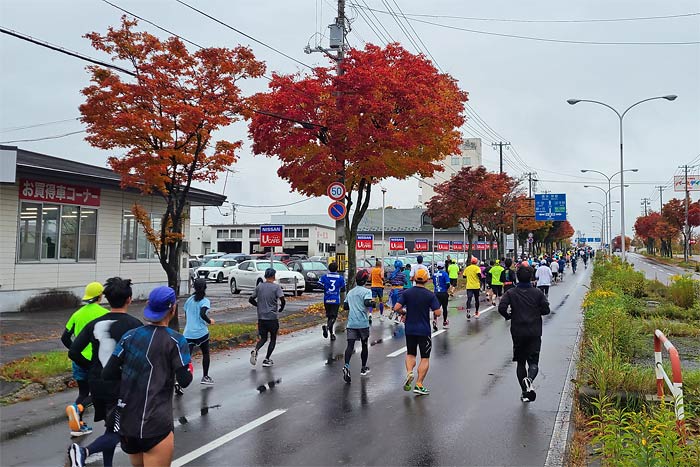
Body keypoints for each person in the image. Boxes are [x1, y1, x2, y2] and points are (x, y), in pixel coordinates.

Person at [102, 286, 194, 467]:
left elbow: (108, 373)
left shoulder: (129, 336)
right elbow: (185, 380)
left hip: (129, 422)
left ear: (148, 306)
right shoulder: (176, 341)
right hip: (156, 422)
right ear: (173, 309)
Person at [67, 277, 142, 467]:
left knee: (111, 427)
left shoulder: (95, 324)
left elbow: (74, 351)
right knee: (119, 432)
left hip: (97, 383)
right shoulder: (135, 326)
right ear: (129, 299)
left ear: (107, 299)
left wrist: (90, 366)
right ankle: (83, 452)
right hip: (120, 386)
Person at [497, 264, 550, 402]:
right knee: (534, 362)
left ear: (517, 278)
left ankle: (525, 391)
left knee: (521, 363)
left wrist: (509, 316)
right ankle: (529, 380)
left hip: (518, 331)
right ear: (531, 277)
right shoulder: (538, 293)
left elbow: (502, 307)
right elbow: (546, 310)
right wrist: (538, 311)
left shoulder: (511, 293)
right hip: (534, 331)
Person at [62, 281, 109, 437]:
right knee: (99, 392)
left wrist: (75, 349)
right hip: (96, 360)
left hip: (79, 360)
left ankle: (78, 424)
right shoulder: (103, 313)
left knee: (83, 391)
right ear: (100, 296)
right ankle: (77, 410)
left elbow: (65, 337)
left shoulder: (77, 314)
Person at [394, 269, 441, 395]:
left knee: (411, 354)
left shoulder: (407, 293)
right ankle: (419, 384)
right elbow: (437, 312)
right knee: (425, 357)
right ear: (426, 280)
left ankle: (410, 372)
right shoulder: (430, 295)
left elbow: (396, 307)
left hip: (410, 329)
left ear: (414, 279)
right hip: (424, 330)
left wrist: (404, 313)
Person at [342, 269, 374, 383]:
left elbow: (345, 306)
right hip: (362, 323)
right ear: (365, 280)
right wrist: (372, 303)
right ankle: (363, 367)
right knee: (364, 345)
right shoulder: (367, 292)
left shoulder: (350, 292)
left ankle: (346, 365)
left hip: (351, 323)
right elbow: (366, 303)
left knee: (350, 346)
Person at [249, 268, 286, 367]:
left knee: (263, 338)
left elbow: (251, 299)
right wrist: (281, 308)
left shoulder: (259, 287)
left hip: (261, 317)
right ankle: (267, 359)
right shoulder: (276, 287)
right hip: (272, 317)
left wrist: (258, 305)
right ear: (273, 276)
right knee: (273, 338)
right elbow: (283, 300)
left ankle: (256, 350)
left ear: (265, 276)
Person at [183, 278, 214, 385]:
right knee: (205, 353)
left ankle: (180, 380)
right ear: (205, 288)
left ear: (194, 287)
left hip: (188, 333)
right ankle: (205, 377)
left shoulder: (189, 300)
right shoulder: (205, 301)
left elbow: (186, 315)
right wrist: (210, 321)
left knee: (186, 357)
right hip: (201, 333)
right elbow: (202, 314)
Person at [319, 262, 345, 341]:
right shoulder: (340, 278)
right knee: (333, 317)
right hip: (335, 299)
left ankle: (331, 334)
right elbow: (343, 288)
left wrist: (325, 288)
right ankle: (327, 328)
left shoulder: (324, 277)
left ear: (329, 269)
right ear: (337, 269)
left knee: (329, 317)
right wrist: (338, 289)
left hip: (327, 299)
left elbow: (318, 284)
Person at [432, 261, 450, 329]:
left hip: (436, 292)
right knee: (444, 308)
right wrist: (446, 289)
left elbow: (434, 283)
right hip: (443, 292)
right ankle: (445, 321)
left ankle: (434, 320)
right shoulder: (445, 274)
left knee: (436, 307)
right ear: (443, 267)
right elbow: (448, 283)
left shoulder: (434, 274)